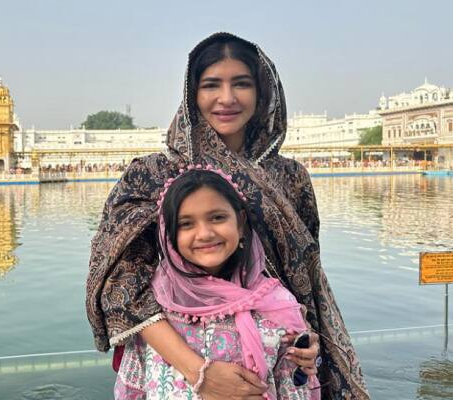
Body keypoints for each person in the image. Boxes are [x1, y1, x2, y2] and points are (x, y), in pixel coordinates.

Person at [86, 32, 369, 400]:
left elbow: (304, 280)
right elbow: (118, 288)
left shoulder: (290, 178)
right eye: (211, 85)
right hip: (181, 369)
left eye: (241, 84)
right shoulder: (152, 175)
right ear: (192, 95)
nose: (227, 98)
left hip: (277, 363)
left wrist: (306, 339)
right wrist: (199, 372)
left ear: (262, 92)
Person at [115, 167, 319, 399]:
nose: (204, 234)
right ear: (168, 234)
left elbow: (296, 389)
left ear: (240, 222)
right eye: (186, 224)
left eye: (217, 217)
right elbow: (131, 388)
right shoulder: (153, 307)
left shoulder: (279, 307)